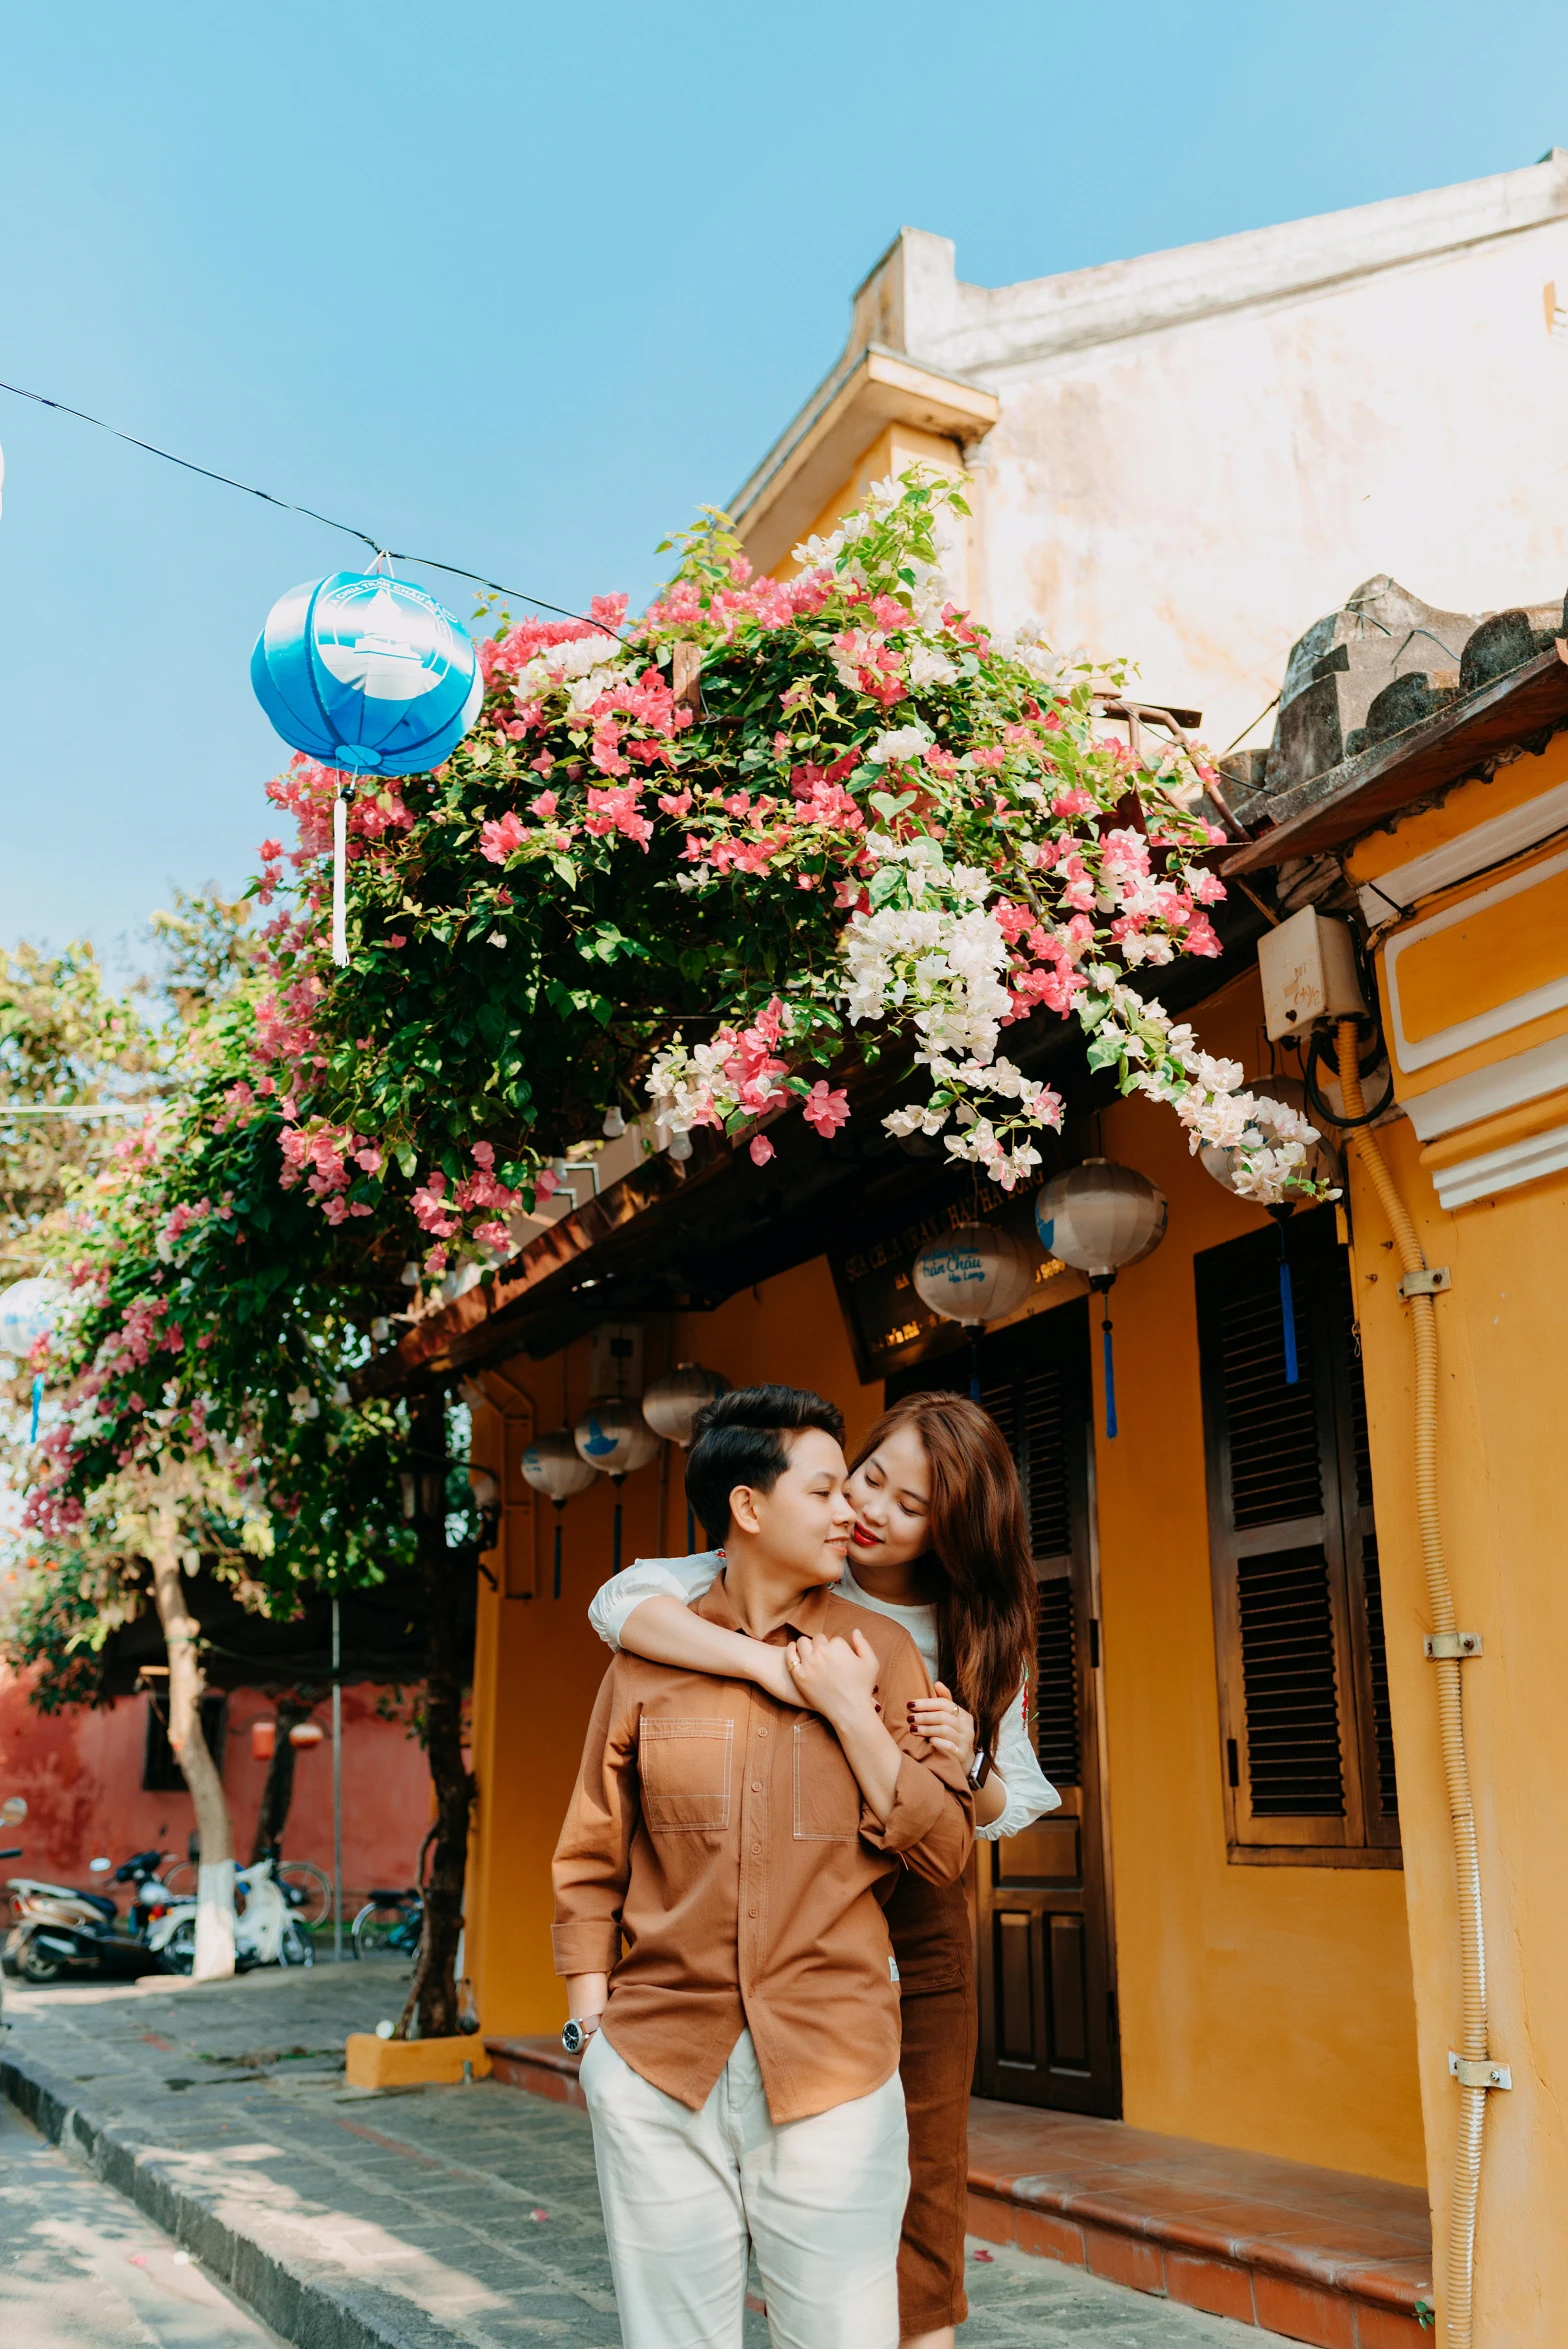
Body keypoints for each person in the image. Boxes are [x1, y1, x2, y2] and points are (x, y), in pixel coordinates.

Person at [587, 1388, 1058, 2349]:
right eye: (866, 1477)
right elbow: (619, 1606)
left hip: (917, 1925)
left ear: (953, 1528)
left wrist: (962, 1756)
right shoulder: (752, 1566)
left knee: (921, 2219)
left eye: (910, 1504)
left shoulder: (974, 1632)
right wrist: (769, 1666)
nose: (872, 1510)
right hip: (769, 1925)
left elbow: (1008, 1802)